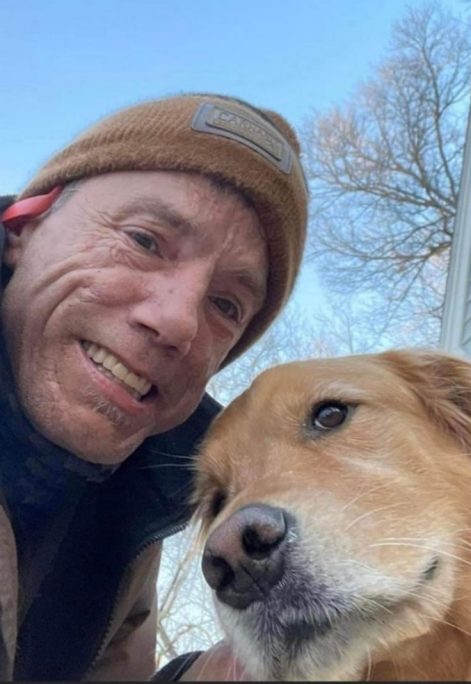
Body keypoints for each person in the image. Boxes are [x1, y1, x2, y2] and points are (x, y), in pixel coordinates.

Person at [0, 93, 307, 680]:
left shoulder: (141, 507)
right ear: (25, 223)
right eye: (144, 241)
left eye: (225, 304)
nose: (178, 322)